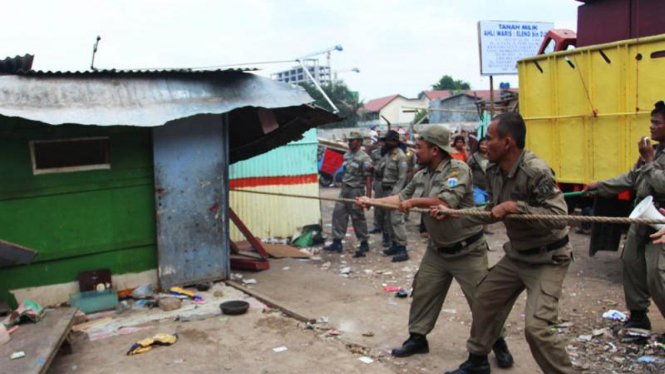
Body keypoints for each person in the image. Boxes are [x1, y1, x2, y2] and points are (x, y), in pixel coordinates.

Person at [357, 125, 513, 367]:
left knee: (482, 300)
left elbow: (443, 201)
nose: (415, 151)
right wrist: (372, 201)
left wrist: (413, 201)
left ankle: (498, 342)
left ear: (434, 149)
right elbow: (400, 199)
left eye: (419, 147)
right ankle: (418, 338)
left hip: (467, 250)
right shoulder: (421, 175)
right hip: (437, 250)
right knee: (423, 292)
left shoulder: (457, 169)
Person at [439, 113, 574, 374]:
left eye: (489, 139)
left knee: (537, 330)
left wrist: (516, 206)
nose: (484, 144)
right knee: (485, 299)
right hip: (517, 256)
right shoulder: (494, 170)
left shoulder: (536, 171)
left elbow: (559, 218)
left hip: (548, 258)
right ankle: (478, 359)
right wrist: (455, 214)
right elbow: (493, 209)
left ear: (508, 142)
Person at [585, 100, 665, 331]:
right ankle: (639, 316)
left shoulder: (651, 156)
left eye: (657, 123)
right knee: (631, 265)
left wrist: (650, 161)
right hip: (640, 218)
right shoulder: (653, 152)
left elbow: (662, 186)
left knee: (656, 275)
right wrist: (600, 185)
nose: (651, 127)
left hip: (659, 221)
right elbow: (631, 178)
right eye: (651, 121)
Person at [324, 131, 373, 257]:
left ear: (360, 142)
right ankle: (337, 241)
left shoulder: (365, 158)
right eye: (349, 140)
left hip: (356, 190)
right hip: (344, 189)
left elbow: (368, 178)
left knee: (357, 217)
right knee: (338, 214)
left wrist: (367, 197)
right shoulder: (346, 155)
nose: (350, 142)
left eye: (353, 140)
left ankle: (363, 242)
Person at [379, 130, 410, 262]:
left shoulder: (400, 156)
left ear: (394, 141)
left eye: (388, 140)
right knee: (389, 220)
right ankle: (394, 244)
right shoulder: (388, 155)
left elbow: (402, 178)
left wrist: (395, 194)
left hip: (394, 192)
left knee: (397, 220)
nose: (385, 143)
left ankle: (403, 248)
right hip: (386, 190)